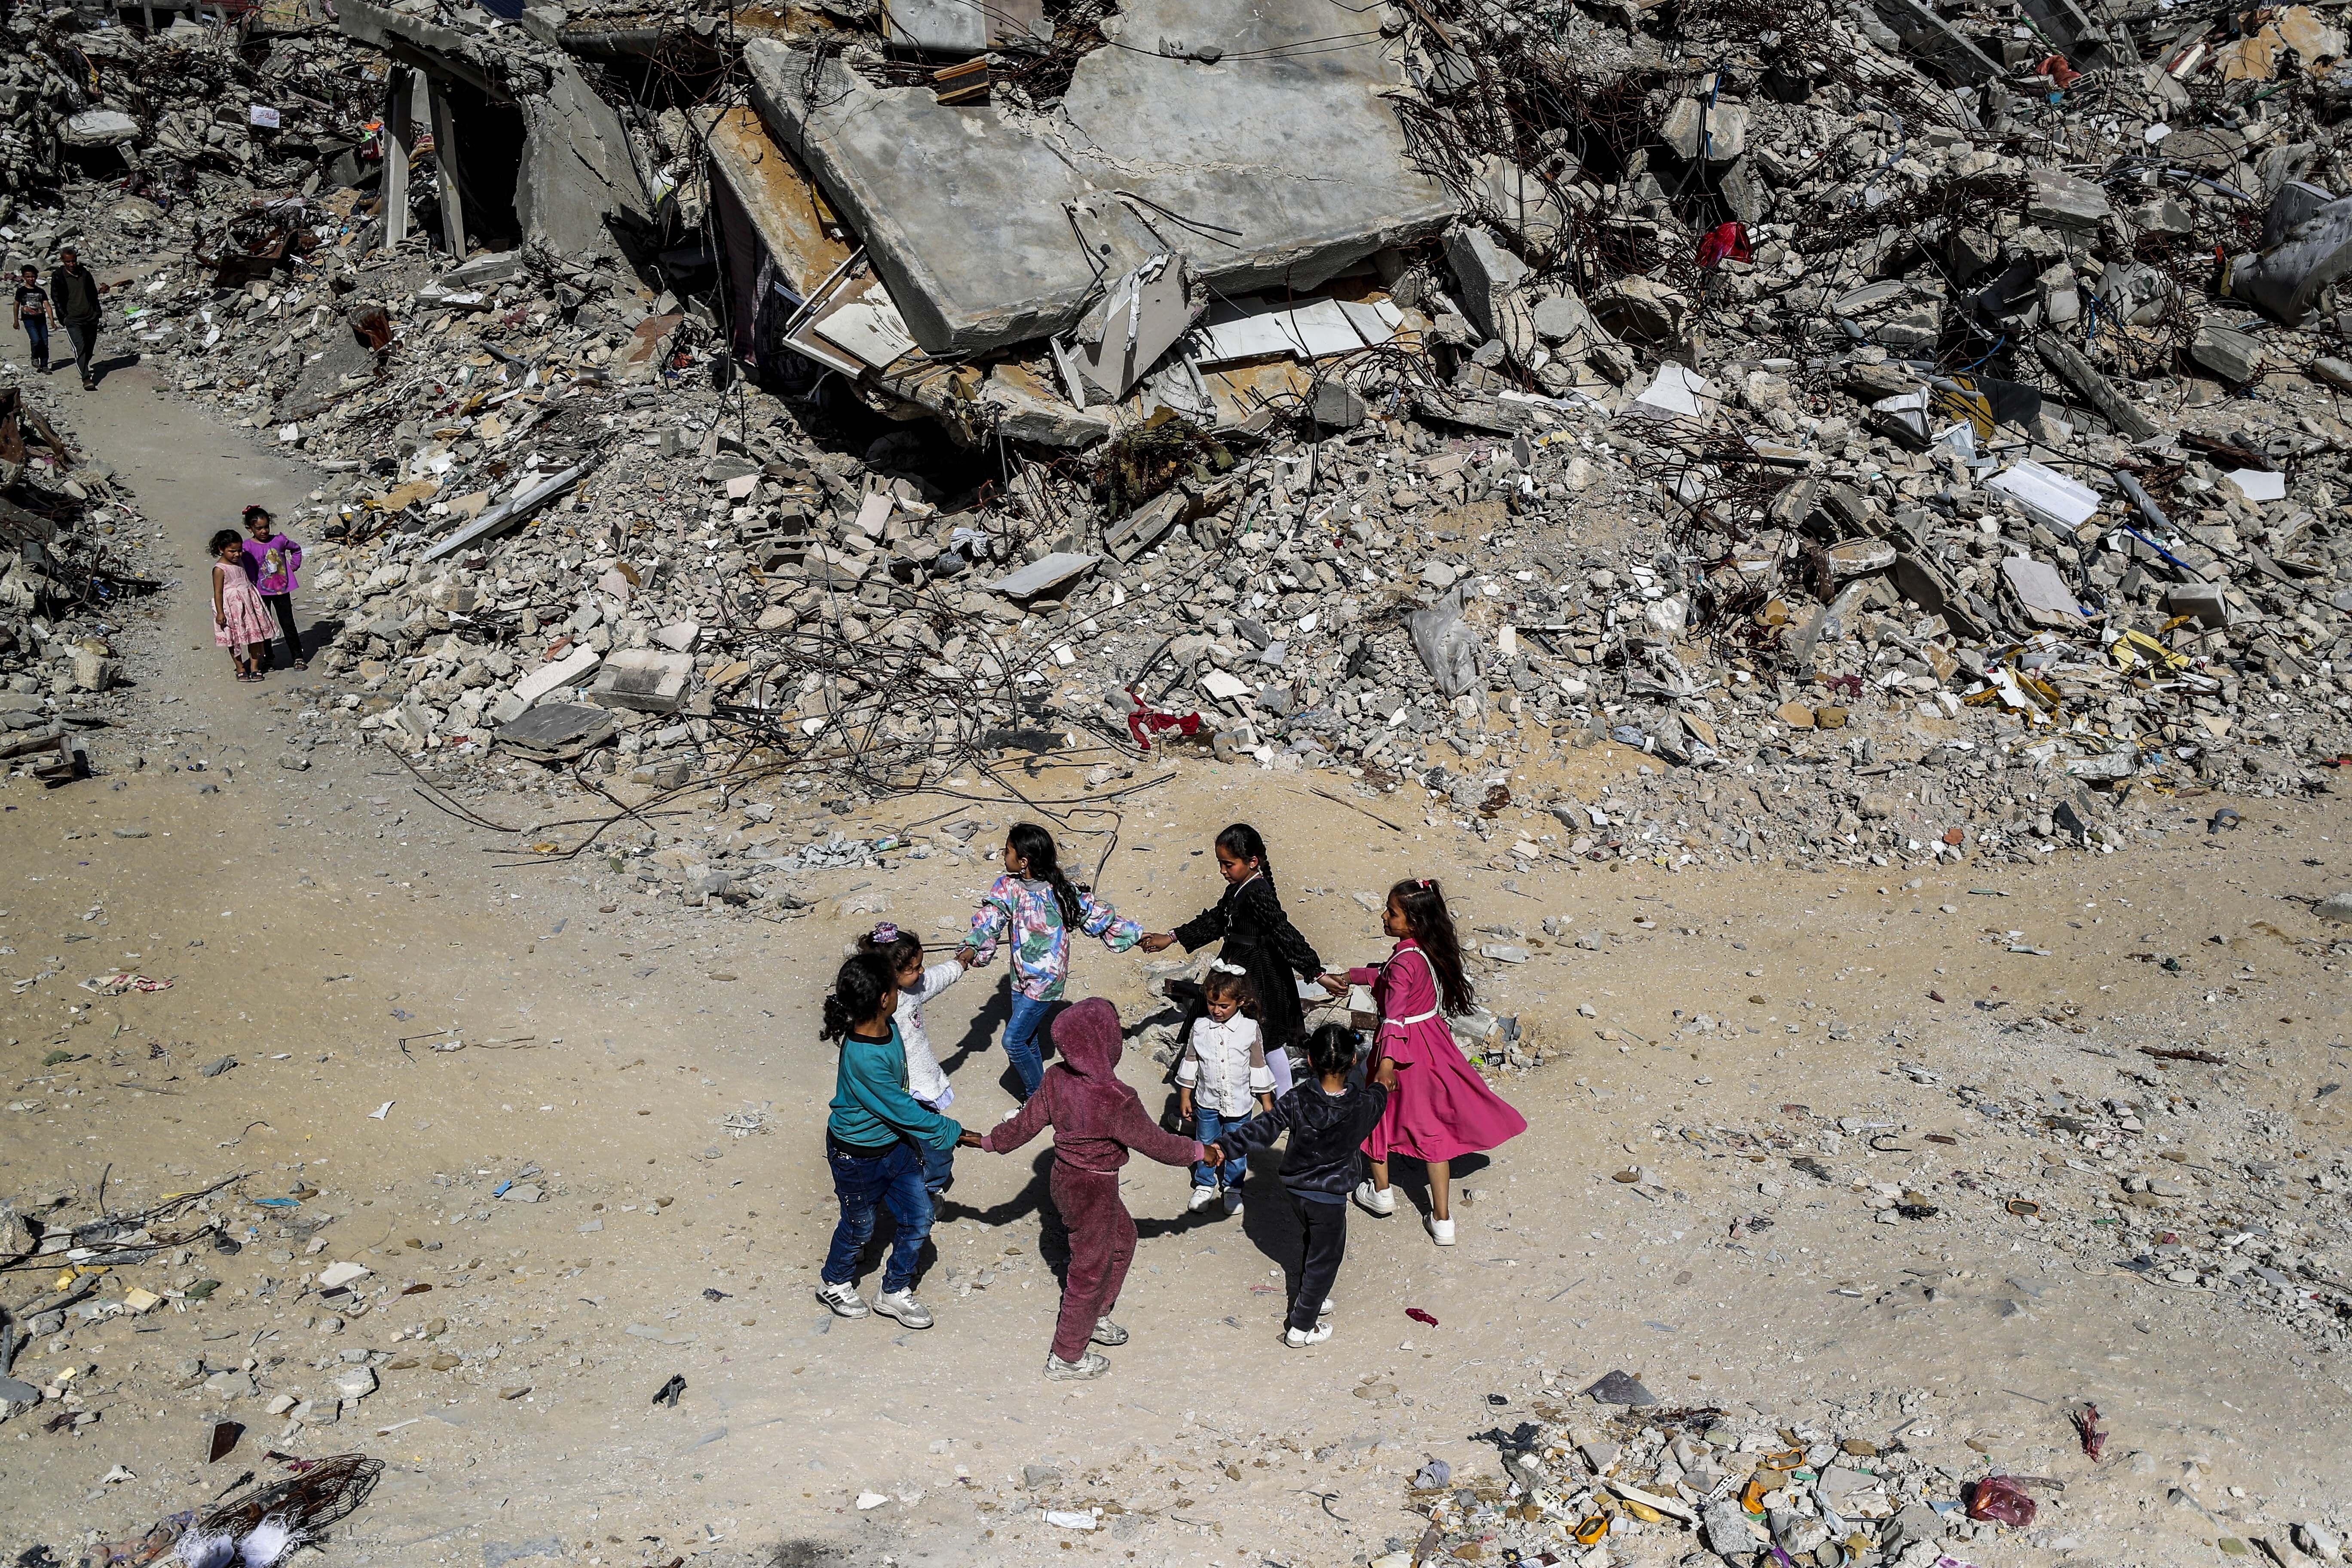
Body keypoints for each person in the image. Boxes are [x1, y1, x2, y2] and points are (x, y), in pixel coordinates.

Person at [975, 998, 1214, 1379]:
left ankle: (1096, 1317)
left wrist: (990, 1141)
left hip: (1064, 1180)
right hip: (1095, 1189)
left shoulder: (1055, 1078)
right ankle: (1067, 1356)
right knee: (1089, 1270)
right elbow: (1159, 1145)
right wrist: (1200, 1151)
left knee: (1123, 1240)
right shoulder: (1117, 1098)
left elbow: (1025, 1124)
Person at [1320, 878, 1526, 1246]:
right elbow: (1389, 979)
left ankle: (1381, 1193)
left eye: (1392, 912)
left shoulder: (1403, 961)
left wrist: (1386, 1064)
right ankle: (1443, 1219)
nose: (1384, 916)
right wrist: (1353, 976)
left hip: (1402, 1049)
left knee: (1376, 1118)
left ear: (1413, 921)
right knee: (1433, 1130)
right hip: (1433, 1044)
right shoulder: (1424, 951)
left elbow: (1395, 1014)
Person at [815, 952, 981, 1328]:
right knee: (860, 1224)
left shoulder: (886, 1028)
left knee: (920, 1216)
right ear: (885, 999)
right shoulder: (864, 1056)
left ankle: (893, 1291)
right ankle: (835, 1281)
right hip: (856, 1155)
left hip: (895, 1146)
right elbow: (901, 1109)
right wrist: (954, 1133)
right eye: (894, 986)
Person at [1211, 1022, 1396, 1346]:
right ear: (1354, 1062)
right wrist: (1384, 1080)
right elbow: (1381, 1090)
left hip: (1297, 1191)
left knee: (1314, 1244)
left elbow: (1262, 1130)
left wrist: (1224, 1148)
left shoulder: (1297, 1099)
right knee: (1326, 1257)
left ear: (1310, 1060)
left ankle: (1314, 1294)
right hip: (1331, 1197)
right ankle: (1302, 1326)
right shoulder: (1364, 1105)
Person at [961, 823, 1142, 1099]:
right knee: (1028, 1038)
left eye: (1007, 851)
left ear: (1024, 862)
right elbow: (991, 920)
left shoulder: (1060, 891)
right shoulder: (1008, 887)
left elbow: (1097, 917)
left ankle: (1038, 1100)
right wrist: (973, 947)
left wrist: (1137, 936)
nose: (1003, 855)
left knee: (1013, 1041)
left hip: (1046, 979)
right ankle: (1045, 1095)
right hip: (1019, 976)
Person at [1139, 823, 1323, 1091]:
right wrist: (1172, 937)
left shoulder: (1258, 892)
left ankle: (1283, 1102)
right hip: (1237, 964)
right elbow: (1216, 920)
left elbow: (1282, 931)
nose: (1223, 871)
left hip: (1259, 974)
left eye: (1228, 864)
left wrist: (1315, 971)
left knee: (1266, 1038)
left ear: (1252, 862)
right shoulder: (1239, 888)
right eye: (1220, 864)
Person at [856, 922, 978, 1198]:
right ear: (889, 976)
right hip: (894, 1089)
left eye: (919, 965)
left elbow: (937, 977)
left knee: (930, 1141)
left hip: (920, 1083)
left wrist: (961, 962)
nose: (921, 972)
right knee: (932, 1142)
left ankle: (930, 1186)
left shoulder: (914, 989)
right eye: (913, 969)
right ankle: (928, 1189)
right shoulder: (873, 1008)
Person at [1176, 962, 1272, 1214]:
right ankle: (1205, 1184)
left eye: (1223, 1006)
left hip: (1239, 1105)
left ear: (1240, 1002)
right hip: (1207, 1102)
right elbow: (1190, 1062)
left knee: (1237, 1145)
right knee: (1205, 1141)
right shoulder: (1199, 1027)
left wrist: (1268, 1104)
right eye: (1211, 1004)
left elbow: (1258, 1066)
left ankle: (1233, 1188)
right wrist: (1185, 1096)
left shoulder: (1250, 1029)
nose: (1216, 1011)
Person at [240, 506, 306, 671]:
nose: (264, 531)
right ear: (250, 529)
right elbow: (240, 566)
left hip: (282, 590)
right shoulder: (247, 548)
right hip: (260, 592)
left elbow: (296, 549)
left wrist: (293, 566)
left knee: (288, 623)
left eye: (266, 527)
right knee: (265, 626)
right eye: (259, 528)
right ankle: (269, 658)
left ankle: (298, 656)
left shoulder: (279, 541)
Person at [209, 529, 274, 683]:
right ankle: (240, 668)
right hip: (231, 608)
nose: (237, 555)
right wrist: (220, 613)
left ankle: (255, 668)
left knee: (254, 636)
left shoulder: (241, 562)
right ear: (221, 549)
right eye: (232, 551)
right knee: (234, 639)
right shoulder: (219, 570)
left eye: (239, 551)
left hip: (249, 603)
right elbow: (218, 592)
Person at [49, 248, 104, 390]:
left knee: (89, 347)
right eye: (68, 262)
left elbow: (93, 294)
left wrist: (97, 312)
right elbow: (56, 298)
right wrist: (64, 317)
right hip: (73, 320)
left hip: (90, 317)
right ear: (63, 261)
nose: (72, 264)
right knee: (79, 347)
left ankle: (84, 363)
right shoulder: (59, 277)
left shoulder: (84, 274)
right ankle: (86, 378)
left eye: (74, 261)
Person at [11, 265, 48, 374]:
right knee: (36, 340)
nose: (31, 279)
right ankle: (35, 357)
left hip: (41, 320)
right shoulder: (21, 291)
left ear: (36, 277)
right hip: (28, 320)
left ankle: (45, 365)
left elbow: (47, 305)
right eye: (28, 277)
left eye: (33, 277)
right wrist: (16, 321)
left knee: (45, 342)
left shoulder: (41, 291)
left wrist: (51, 320)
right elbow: (16, 305)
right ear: (24, 277)